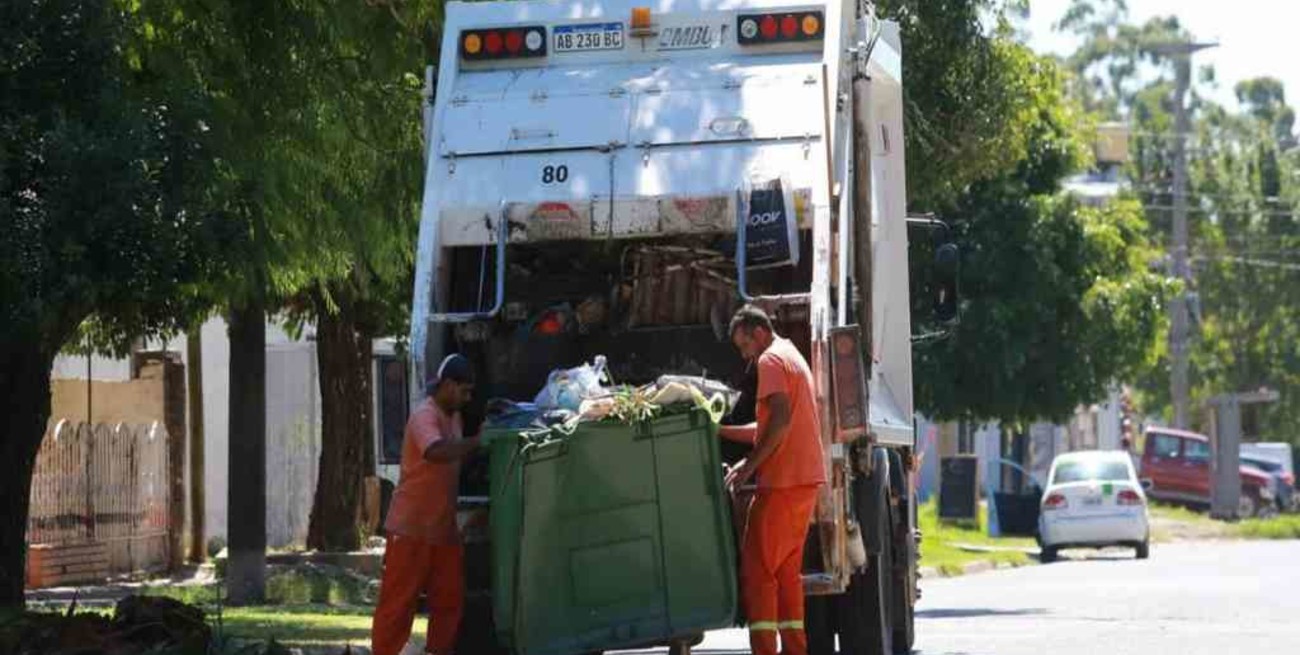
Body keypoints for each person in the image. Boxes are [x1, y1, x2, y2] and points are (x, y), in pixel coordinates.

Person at [719, 306, 827, 655]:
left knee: (757, 569)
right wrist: (720, 430)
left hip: (783, 483)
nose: (744, 354)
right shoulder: (792, 355)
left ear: (758, 333)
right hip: (803, 483)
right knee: (785, 574)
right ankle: (795, 649)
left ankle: (765, 649)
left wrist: (749, 467)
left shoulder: (770, 362)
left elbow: (778, 421)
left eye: (743, 345)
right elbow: (770, 427)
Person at [371, 354, 483, 655]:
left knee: (449, 601)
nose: (467, 398)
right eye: (464, 391)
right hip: (410, 529)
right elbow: (435, 451)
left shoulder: (454, 417)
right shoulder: (425, 415)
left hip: (441, 530)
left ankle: (438, 651)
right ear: (447, 385)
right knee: (398, 604)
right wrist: (476, 442)